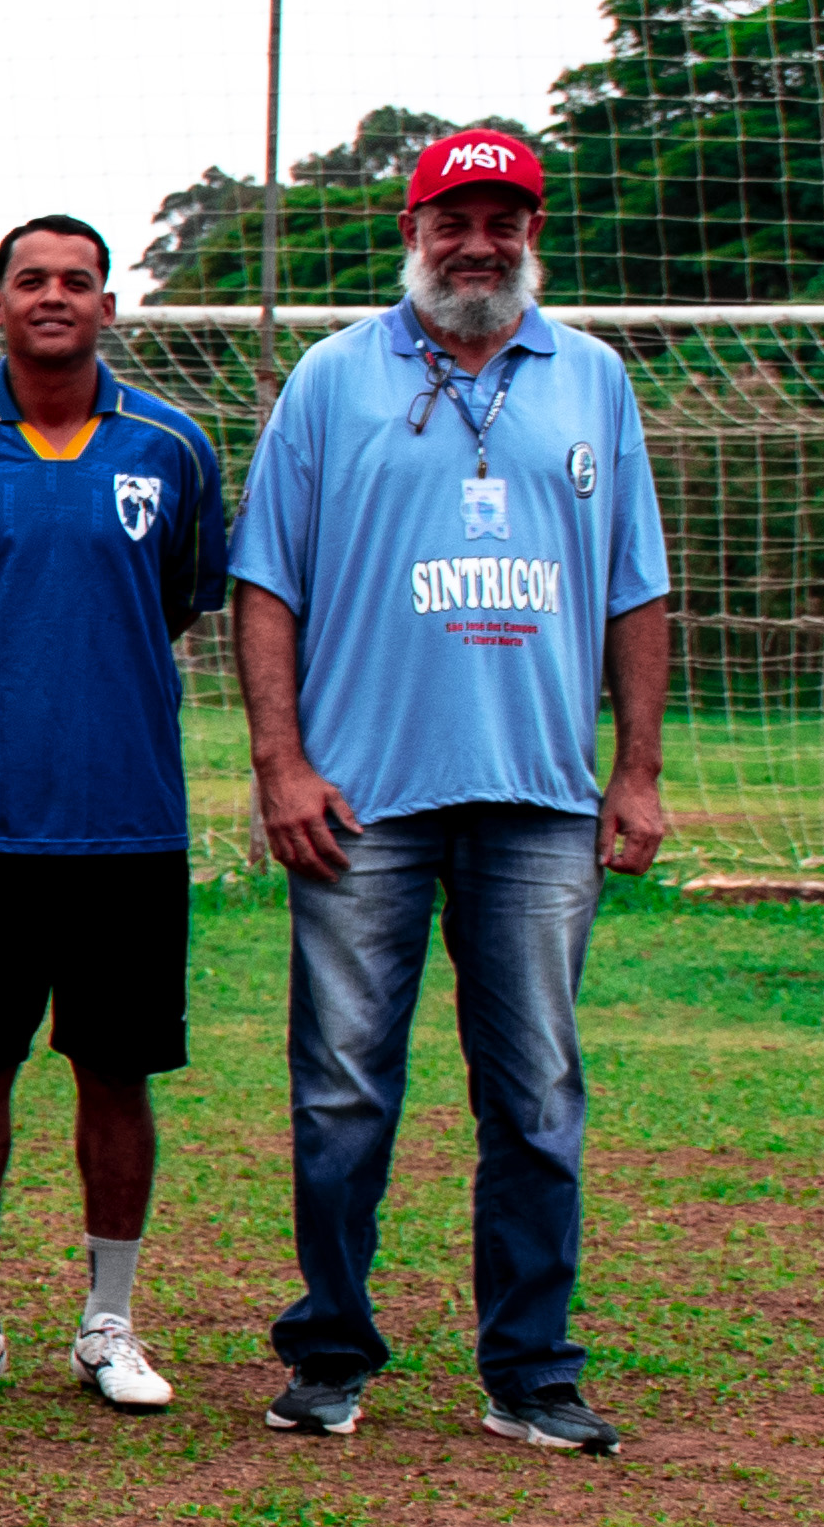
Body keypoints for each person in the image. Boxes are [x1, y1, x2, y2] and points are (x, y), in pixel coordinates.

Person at [230, 125, 671, 1453]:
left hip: (541, 798)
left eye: (502, 222)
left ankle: (532, 1370)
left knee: (536, 1094)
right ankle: (329, 1351)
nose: (477, 246)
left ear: (532, 234)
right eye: (452, 222)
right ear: (411, 233)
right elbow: (266, 582)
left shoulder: (593, 379)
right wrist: (281, 764)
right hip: (360, 801)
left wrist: (637, 772)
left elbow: (635, 588)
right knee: (343, 1090)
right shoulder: (331, 378)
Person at [0, 213, 232, 1415]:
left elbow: (175, 597)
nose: (53, 297)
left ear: (107, 305)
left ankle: (110, 1321)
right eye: (30, 279)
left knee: (117, 1069)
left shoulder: (174, 445)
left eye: (77, 281)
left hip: (127, 819)